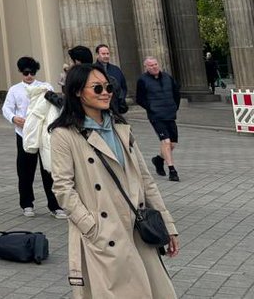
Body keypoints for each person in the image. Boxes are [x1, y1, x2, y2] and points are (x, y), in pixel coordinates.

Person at [50, 63, 179, 297]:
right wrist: (91, 227)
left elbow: (145, 180)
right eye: (97, 88)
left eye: (108, 87)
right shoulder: (64, 135)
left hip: (137, 230)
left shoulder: (121, 128)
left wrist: (168, 225)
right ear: (78, 92)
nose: (106, 92)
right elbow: (62, 188)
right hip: (104, 235)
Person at [1, 57, 64, 218]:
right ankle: (27, 203)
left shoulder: (45, 87)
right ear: (21, 72)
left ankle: (55, 205)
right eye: (26, 72)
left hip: (43, 132)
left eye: (32, 72)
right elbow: (6, 108)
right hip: (24, 133)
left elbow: (54, 105)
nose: (29, 75)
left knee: (48, 168)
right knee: (25, 170)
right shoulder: (15, 90)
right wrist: (14, 118)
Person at [135, 57, 182, 182]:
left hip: (170, 114)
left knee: (172, 144)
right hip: (156, 116)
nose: (154, 67)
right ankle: (172, 170)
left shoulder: (168, 78)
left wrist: (174, 107)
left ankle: (159, 160)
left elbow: (176, 93)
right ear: (146, 67)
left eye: (155, 64)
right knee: (165, 142)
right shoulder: (142, 80)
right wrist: (151, 108)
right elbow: (139, 99)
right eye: (150, 65)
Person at [95, 44, 129, 111]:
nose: (106, 56)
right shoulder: (93, 70)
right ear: (97, 55)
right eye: (103, 54)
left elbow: (123, 86)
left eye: (108, 54)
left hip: (116, 107)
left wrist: (121, 99)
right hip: (100, 108)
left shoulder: (116, 69)